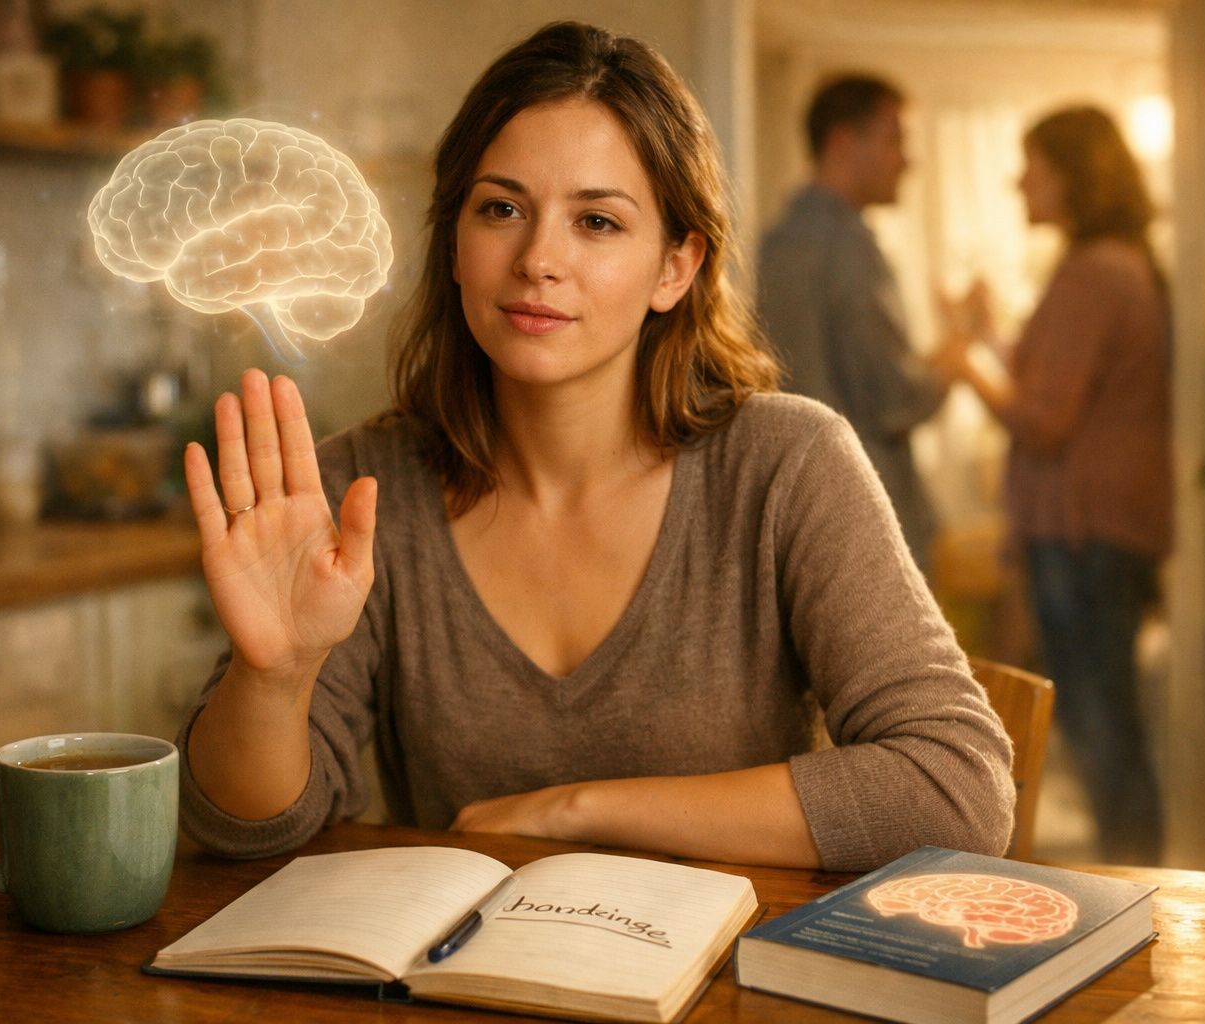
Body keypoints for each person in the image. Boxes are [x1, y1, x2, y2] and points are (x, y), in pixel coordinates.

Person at [177, 21, 1014, 873]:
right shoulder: (359, 489)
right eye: (502, 209)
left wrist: (576, 810)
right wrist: (274, 677)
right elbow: (243, 829)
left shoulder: (788, 464)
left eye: (598, 222)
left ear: (675, 268)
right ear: (454, 244)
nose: (539, 259)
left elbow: (956, 790)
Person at [939, 105, 1171, 865]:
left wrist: (965, 365)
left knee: (1102, 731)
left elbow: (1043, 420)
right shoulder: (1116, 265)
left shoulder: (1095, 270)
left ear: (1073, 174)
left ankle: (1139, 889)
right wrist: (988, 336)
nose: (1019, 182)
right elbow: (1058, 381)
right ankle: (1140, 879)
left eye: (1033, 166)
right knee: (1106, 727)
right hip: (1100, 533)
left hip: (1081, 534)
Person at [757, 74, 956, 577]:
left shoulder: (779, 242)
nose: (907, 160)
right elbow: (892, 396)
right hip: (867, 508)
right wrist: (956, 356)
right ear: (843, 142)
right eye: (894, 139)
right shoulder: (847, 245)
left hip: (802, 506)